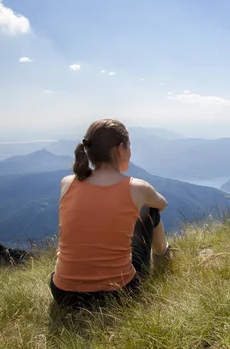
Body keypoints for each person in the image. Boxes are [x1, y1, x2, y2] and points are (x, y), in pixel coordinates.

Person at [49, 119, 170, 308]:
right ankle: (163, 256)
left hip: (63, 295)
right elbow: (162, 204)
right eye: (129, 146)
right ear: (121, 148)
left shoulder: (67, 183)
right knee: (150, 210)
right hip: (117, 294)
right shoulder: (137, 187)